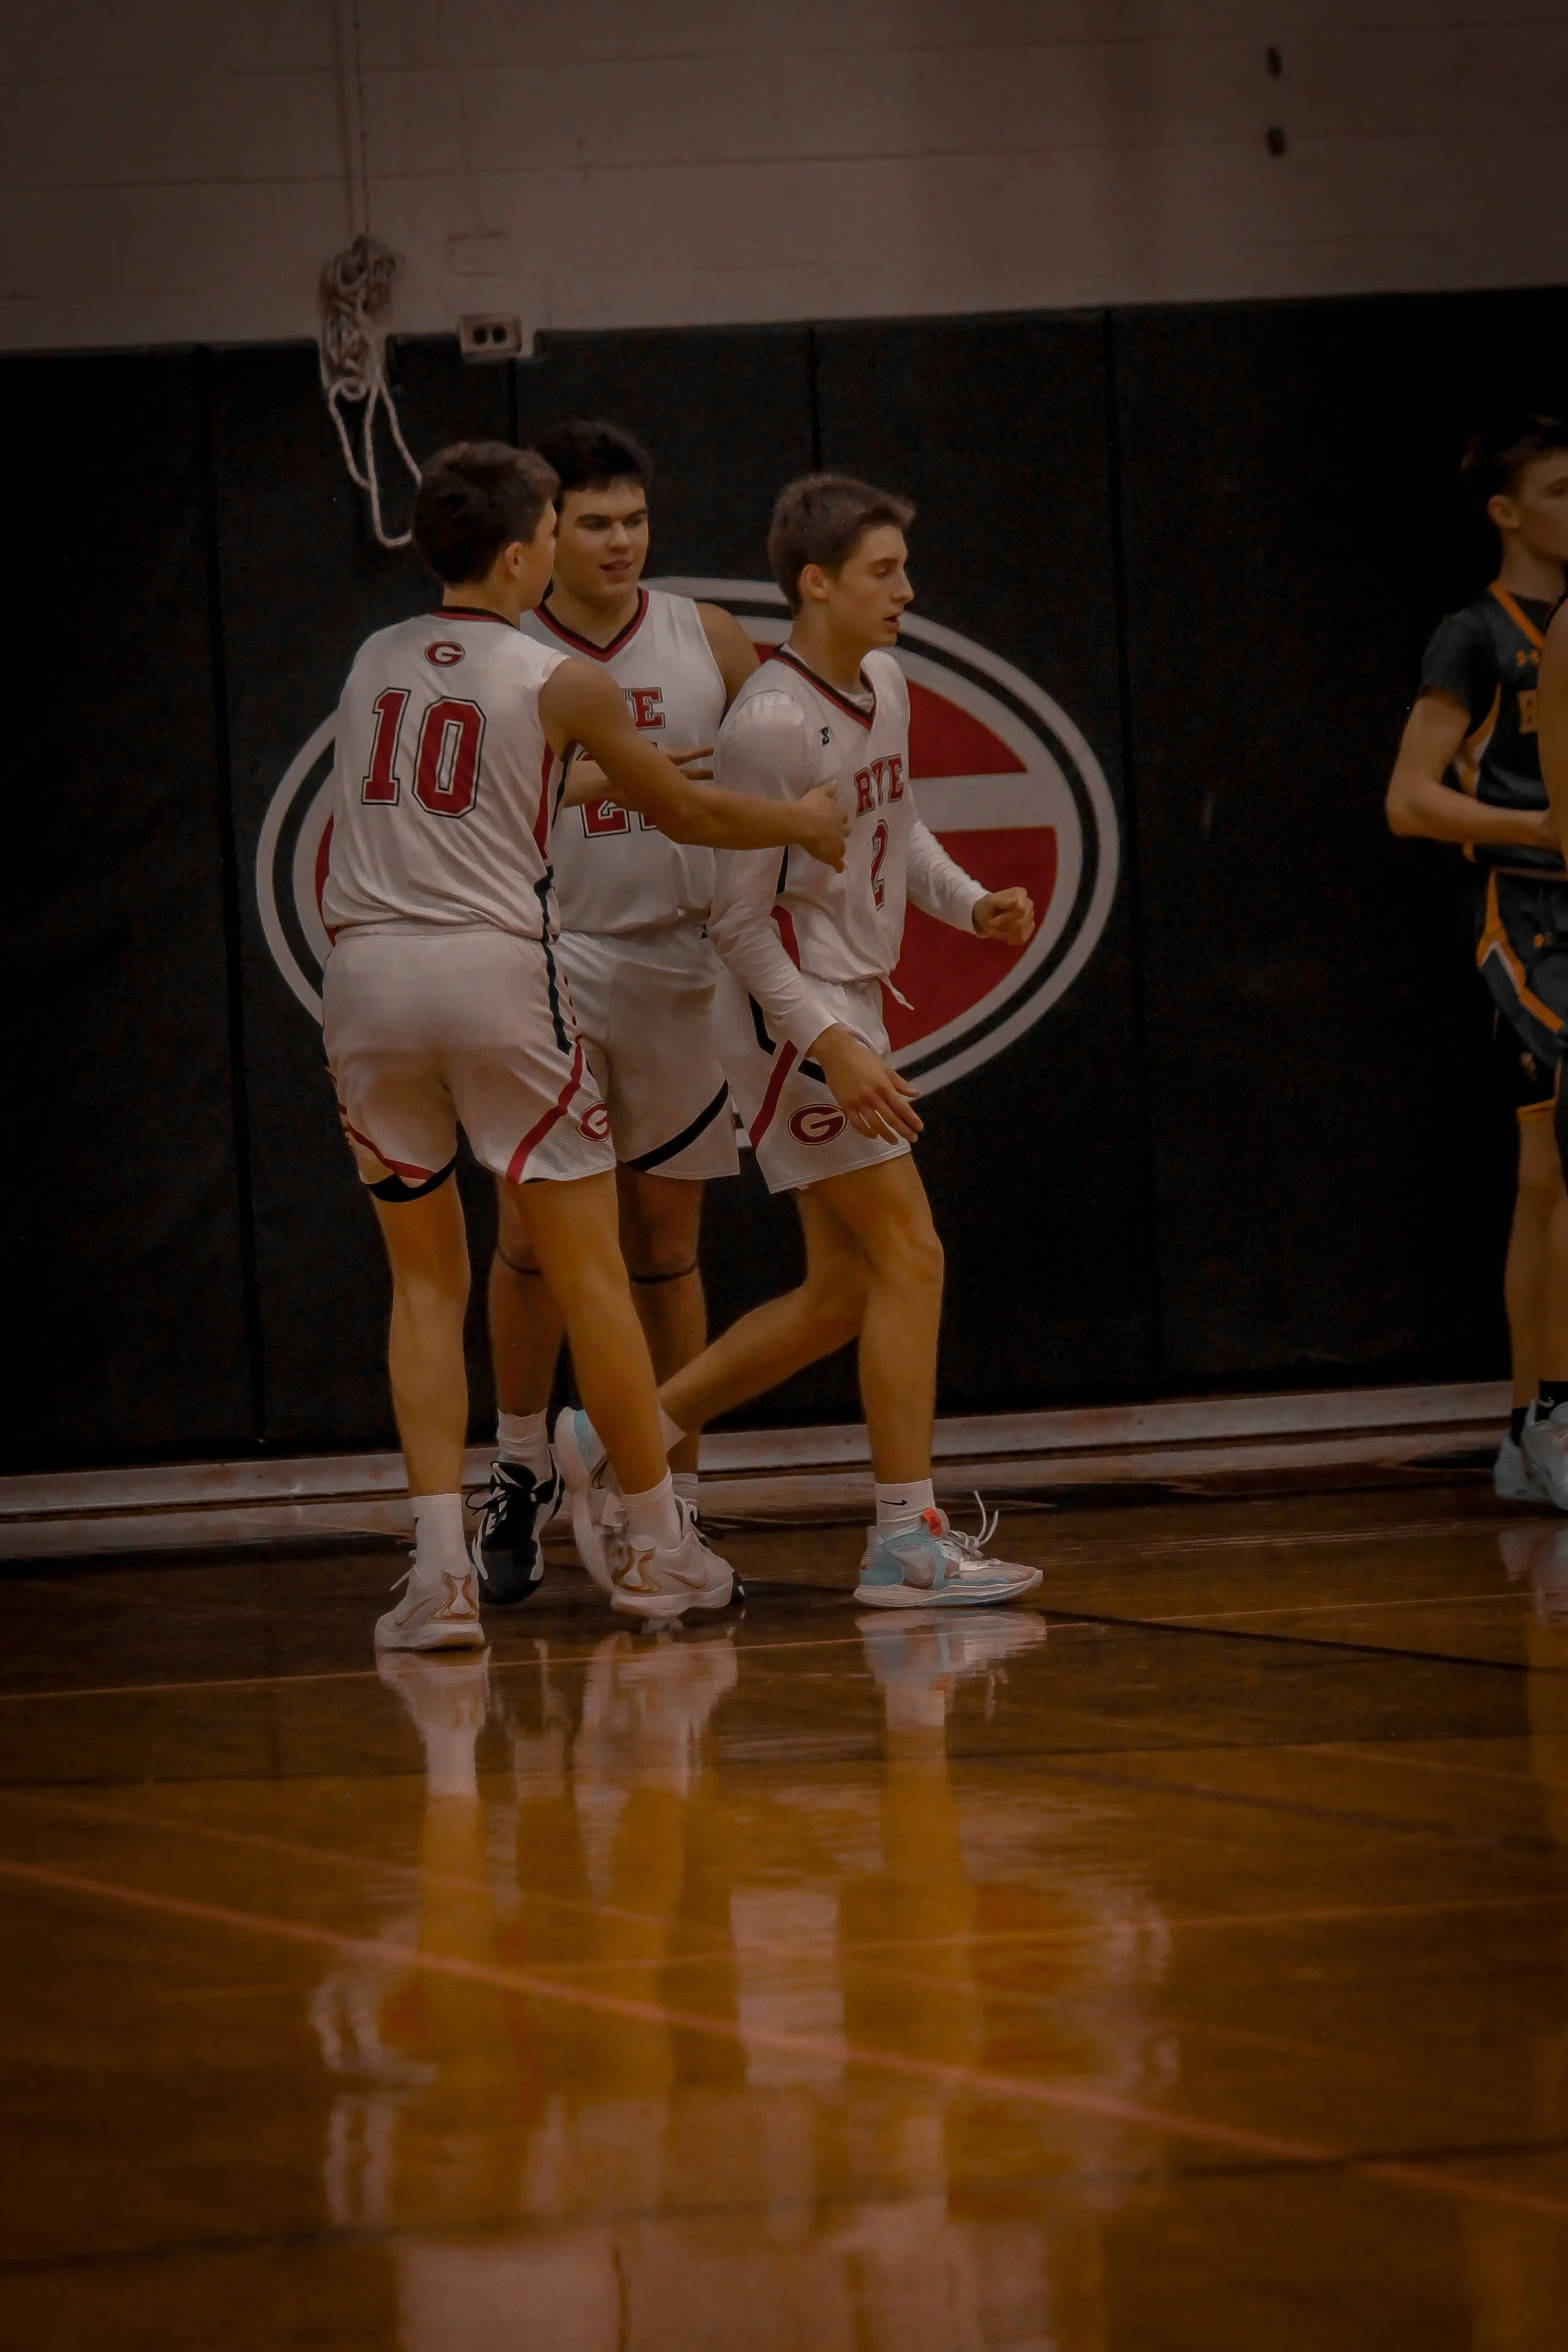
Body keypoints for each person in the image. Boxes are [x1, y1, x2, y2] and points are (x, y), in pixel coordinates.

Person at [319, 442, 848, 1644]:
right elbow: (690, 809)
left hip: (366, 980)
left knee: (425, 1281)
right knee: (592, 1267)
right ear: (522, 556)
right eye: (562, 528)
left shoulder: (372, 659)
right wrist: (800, 819)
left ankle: (439, 1579)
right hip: (496, 974)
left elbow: (439, 789)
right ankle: (658, 1547)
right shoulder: (559, 677)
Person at [554, 473, 1044, 1609]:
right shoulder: (770, 723)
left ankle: (616, 1430)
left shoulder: (884, 680)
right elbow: (737, 923)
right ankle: (903, 1538)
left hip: (840, 1001)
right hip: (786, 1015)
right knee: (913, 1256)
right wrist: (829, 1042)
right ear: (816, 582)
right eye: (885, 571)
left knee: (842, 1291)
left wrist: (969, 903)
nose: (907, 590)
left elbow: (899, 825)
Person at [472, 420, 758, 1609]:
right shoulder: (505, 655)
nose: (619, 541)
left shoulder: (712, 638)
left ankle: (670, 1501)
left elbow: (780, 782)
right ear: (548, 534)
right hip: (546, 960)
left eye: (634, 519)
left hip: (678, 962)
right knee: (532, 1236)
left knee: (667, 1246)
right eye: (593, 522)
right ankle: (520, 1465)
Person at [1386, 416, 1568, 1505]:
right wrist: (1540, 827)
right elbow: (1409, 798)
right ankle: (1550, 1416)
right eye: (1561, 490)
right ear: (1506, 512)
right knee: (1555, 1170)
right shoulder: (1476, 635)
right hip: (1528, 910)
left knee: (1547, 1175)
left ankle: (1524, 1429)